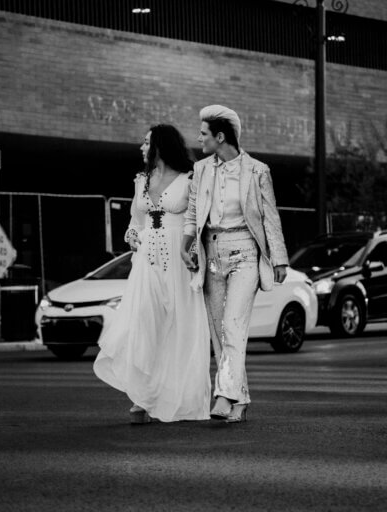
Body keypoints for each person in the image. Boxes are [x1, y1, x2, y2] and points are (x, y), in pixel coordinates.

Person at [93, 124, 211, 424]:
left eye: (146, 142)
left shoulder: (190, 179)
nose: (141, 147)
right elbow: (136, 220)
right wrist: (131, 235)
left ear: (160, 145)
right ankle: (142, 398)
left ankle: (179, 397)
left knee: (178, 328)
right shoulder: (142, 180)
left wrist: (194, 252)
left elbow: (197, 222)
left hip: (179, 261)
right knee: (145, 326)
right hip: (146, 262)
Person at [180, 105, 288, 423]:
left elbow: (270, 217)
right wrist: (186, 245)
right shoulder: (200, 170)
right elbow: (192, 212)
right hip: (211, 253)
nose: (199, 138)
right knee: (219, 331)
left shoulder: (257, 171)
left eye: (203, 134)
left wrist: (279, 259)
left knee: (233, 325)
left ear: (220, 136)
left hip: (245, 252)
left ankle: (224, 394)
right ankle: (239, 399)